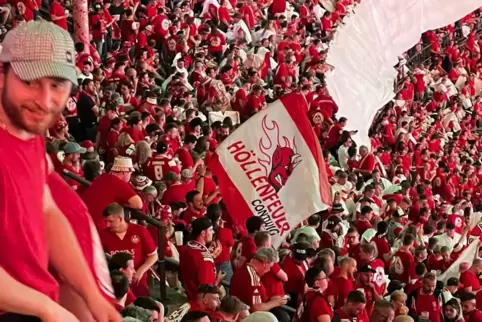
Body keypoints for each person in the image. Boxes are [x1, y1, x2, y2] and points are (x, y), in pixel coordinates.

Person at [0, 20, 120, 321]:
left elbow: (47, 210)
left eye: (56, 85)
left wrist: (92, 297)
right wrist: (46, 308)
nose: (44, 100)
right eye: (30, 81)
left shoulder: (27, 128)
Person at [100, 203, 158, 297]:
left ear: (120, 218)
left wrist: (141, 270)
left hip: (138, 282)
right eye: (106, 221)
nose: (107, 225)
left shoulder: (140, 231)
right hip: (116, 285)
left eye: (110, 221)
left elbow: (153, 255)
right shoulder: (103, 235)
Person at [82, 156, 143, 230]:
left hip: (84, 221)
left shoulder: (102, 177)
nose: (130, 175)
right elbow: (139, 204)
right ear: (124, 173)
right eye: (130, 173)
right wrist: (123, 203)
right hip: (99, 227)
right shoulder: (119, 183)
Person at [230, 247, 288, 313]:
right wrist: (277, 302)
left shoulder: (242, 269)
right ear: (264, 263)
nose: (269, 270)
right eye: (270, 267)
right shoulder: (253, 281)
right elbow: (256, 308)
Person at [179, 218, 217, 301]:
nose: (213, 232)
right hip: (200, 303)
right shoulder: (204, 259)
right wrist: (218, 280)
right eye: (211, 230)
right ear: (203, 233)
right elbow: (206, 291)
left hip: (188, 296)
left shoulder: (185, 248)